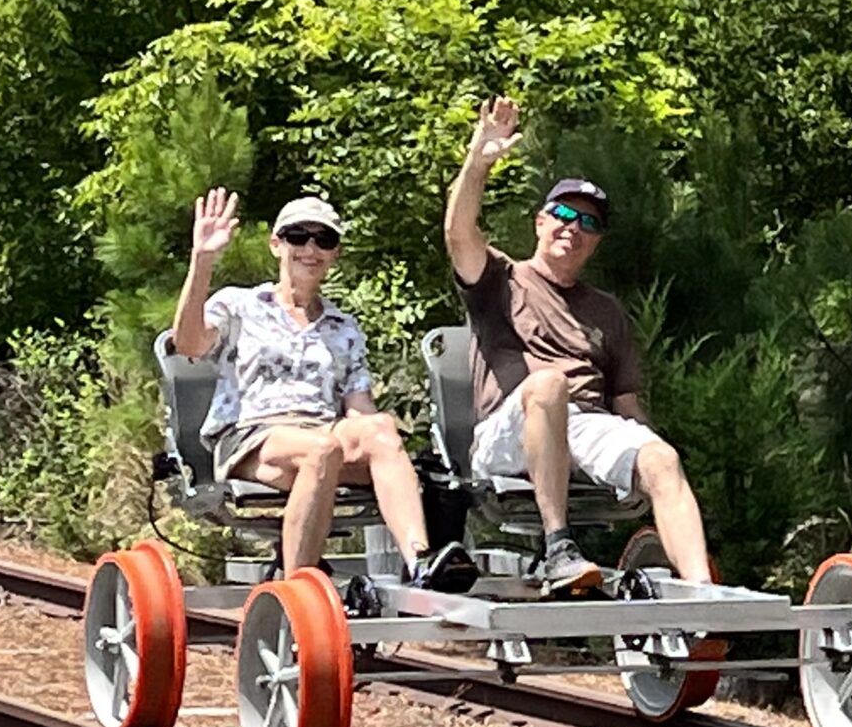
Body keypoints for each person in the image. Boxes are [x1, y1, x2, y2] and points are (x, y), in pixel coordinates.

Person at [444, 96, 711, 597]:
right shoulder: (501, 279)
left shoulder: (606, 310)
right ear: (540, 222)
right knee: (548, 385)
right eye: (564, 213)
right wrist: (478, 162)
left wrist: (651, 463)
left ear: (597, 241)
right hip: (508, 432)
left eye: (589, 223)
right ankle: (558, 547)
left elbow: (627, 407)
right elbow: (459, 235)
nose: (574, 227)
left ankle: (704, 598)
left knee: (662, 459)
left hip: (585, 426)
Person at [172, 188, 475, 591]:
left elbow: (360, 409)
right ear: (276, 244)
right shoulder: (240, 305)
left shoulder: (343, 328)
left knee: (380, 429)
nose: (310, 249)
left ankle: (421, 562)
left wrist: (385, 452)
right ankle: (297, 590)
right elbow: (188, 344)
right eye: (298, 236)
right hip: (254, 438)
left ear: (335, 253)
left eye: (324, 239)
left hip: (322, 436)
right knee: (322, 449)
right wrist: (202, 260)